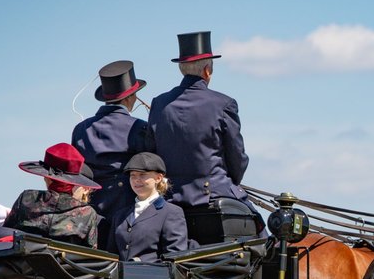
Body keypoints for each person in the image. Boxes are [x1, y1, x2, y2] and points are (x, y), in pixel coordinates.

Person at [146, 31, 257, 222]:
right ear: (207, 70)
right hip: (213, 193)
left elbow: (150, 151)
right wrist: (230, 183)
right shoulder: (224, 104)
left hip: (169, 198)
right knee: (261, 233)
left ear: (181, 68)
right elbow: (237, 157)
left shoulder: (159, 103)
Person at [70, 60, 151, 242]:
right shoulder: (140, 128)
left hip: (91, 209)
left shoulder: (81, 129)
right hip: (129, 209)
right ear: (130, 97)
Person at [5, 143, 102, 249]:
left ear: (47, 178)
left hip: (22, 264)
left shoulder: (26, 198)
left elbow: (6, 234)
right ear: (74, 183)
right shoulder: (87, 213)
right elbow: (91, 255)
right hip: (65, 265)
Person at [109, 152, 192, 262]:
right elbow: (111, 256)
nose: (136, 180)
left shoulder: (171, 212)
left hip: (154, 277)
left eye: (142, 175)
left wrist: (141, 264)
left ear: (158, 178)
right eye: (132, 176)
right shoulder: (120, 215)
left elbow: (175, 257)